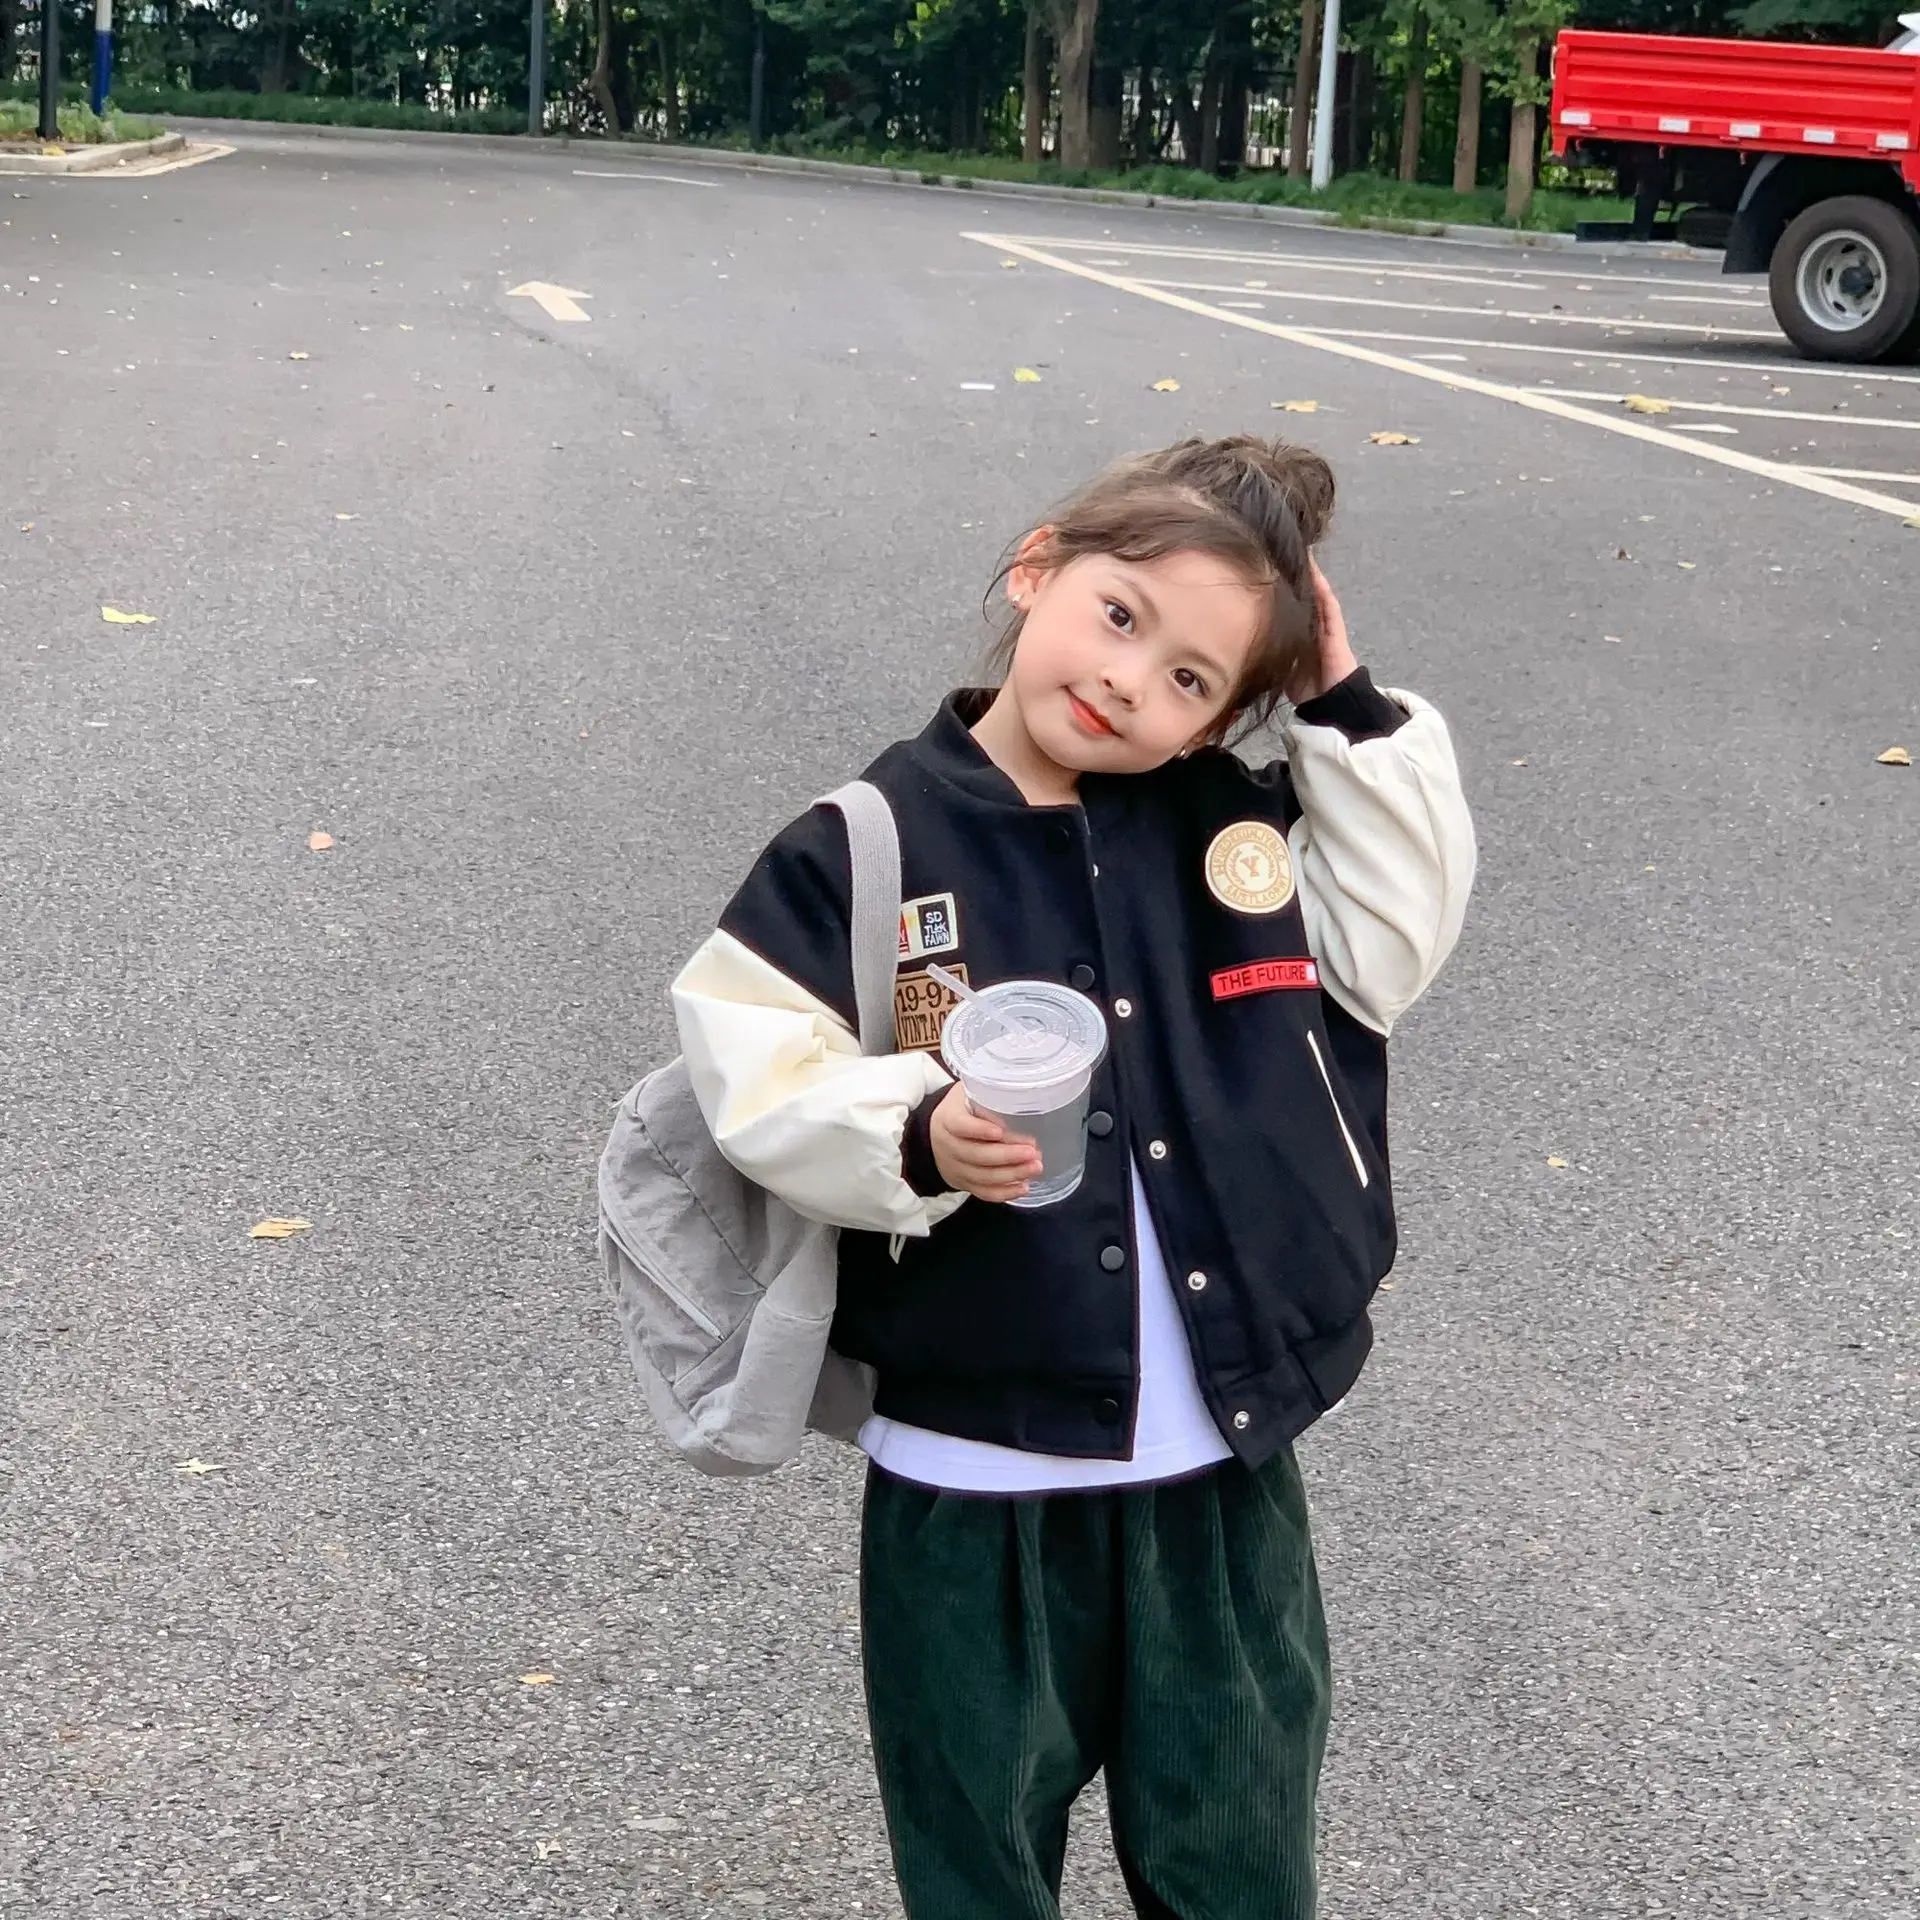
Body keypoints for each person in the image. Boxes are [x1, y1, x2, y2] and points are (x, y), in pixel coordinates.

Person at [671, 435, 1477, 1919]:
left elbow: (1392, 940)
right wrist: (913, 1132)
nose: (1128, 682)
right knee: (977, 1864)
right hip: (972, 1480)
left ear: (1226, 716)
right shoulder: (868, 841)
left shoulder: (1231, 832)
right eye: (1119, 615)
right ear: (1037, 568)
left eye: (1191, 680)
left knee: (1239, 1860)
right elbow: (753, 1063)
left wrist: (1343, 707)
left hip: (1217, 1469)